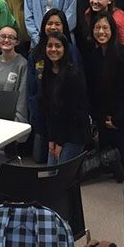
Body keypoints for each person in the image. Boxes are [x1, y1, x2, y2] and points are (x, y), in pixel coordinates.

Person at [83, 12, 124, 176]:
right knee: (108, 164)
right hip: (104, 118)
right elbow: (93, 91)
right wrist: (101, 118)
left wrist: (117, 119)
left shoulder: (122, 54)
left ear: (112, 30)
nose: (101, 32)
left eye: (105, 28)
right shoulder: (93, 56)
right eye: (97, 28)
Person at [27, 30, 91, 164]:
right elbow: (48, 110)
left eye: (58, 46)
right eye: (50, 46)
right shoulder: (46, 73)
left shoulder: (73, 75)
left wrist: (60, 142)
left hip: (74, 132)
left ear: (65, 49)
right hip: (56, 132)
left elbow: (72, 113)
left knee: (62, 175)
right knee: (52, 173)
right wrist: (51, 139)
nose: (53, 49)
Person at [0, 26, 28, 125]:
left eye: (11, 37)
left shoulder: (22, 64)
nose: (6, 40)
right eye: (3, 36)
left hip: (14, 120)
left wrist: (17, 123)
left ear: (17, 41)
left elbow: (22, 98)